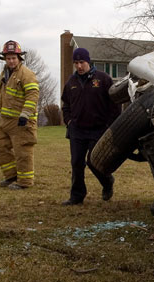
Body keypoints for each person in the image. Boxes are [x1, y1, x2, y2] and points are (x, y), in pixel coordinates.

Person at [61, 48, 121, 205]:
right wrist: (68, 121)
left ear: (88, 61)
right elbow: (65, 105)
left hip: (98, 129)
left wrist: (110, 125)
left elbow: (115, 104)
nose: (79, 66)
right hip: (77, 130)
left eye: (82, 62)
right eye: (76, 63)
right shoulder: (71, 83)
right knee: (76, 163)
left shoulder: (103, 79)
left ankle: (107, 182)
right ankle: (76, 196)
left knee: (94, 161)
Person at [0, 40, 39, 189]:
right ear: (5, 58)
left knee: (23, 151)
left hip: (21, 121)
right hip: (4, 120)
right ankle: (11, 176)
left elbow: (33, 95)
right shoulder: (4, 74)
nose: (11, 61)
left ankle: (24, 182)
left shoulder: (27, 74)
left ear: (19, 58)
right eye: (8, 58)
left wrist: (25, 114)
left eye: (14, 58)